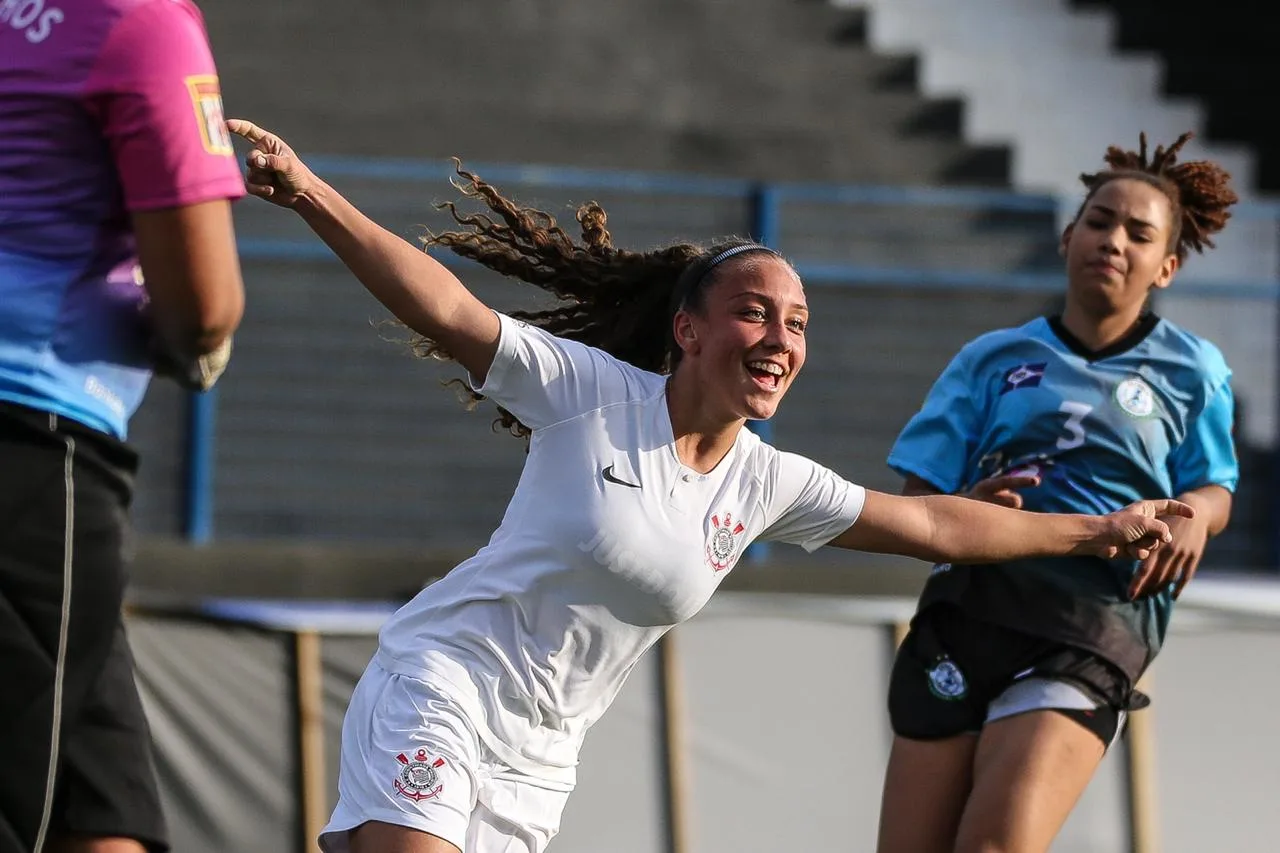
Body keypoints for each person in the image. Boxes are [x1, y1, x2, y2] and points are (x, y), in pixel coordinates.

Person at [228, 119, 1193, 853]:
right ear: (688, 331)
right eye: (754, 313)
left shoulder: (769, 482)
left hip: (539, 757)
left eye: (799, 324)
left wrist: (1100, 531)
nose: (780, 339)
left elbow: (937, 523)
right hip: (443, 683)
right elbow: (446, 306)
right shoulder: (590, 390)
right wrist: (307, 188)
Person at [877, 132, 1239, 853]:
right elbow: (921, 497)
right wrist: (969, 501)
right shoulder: (990, 357)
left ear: (1166, 265)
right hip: (967, 610)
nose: (1113, 240)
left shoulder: (1193, 368)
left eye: (1139, 233)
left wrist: (1198, 514)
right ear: (1070, 235)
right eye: (1100, 221)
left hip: (1090, 619)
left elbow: (1214, 484)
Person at [0, 1, 245, 851]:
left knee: (106, 814)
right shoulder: (134, 23)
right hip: (31, 453)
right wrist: (189, 340)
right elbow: (204, 309)